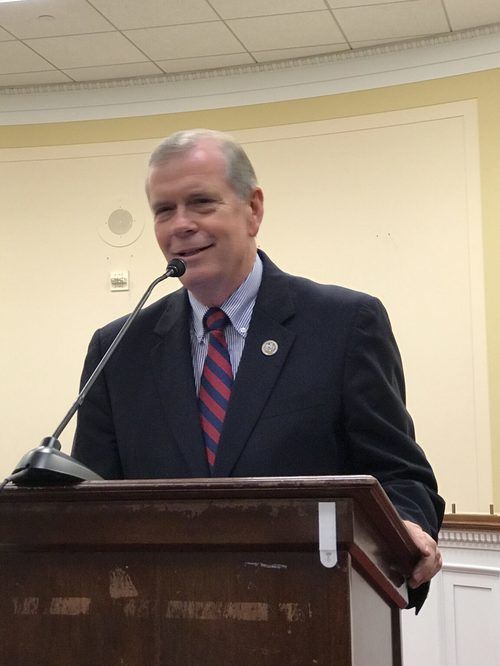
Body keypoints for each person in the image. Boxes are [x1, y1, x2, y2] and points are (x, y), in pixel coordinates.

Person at [73, 128, 444, 610]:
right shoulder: (118, 348)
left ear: (253, 209)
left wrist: (406, 525)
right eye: (164, 210)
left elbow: (400, 475)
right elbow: (88, 505)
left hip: (313, 612)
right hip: (156, 620)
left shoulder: (345, 324)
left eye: (201, 202)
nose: (180, 225)